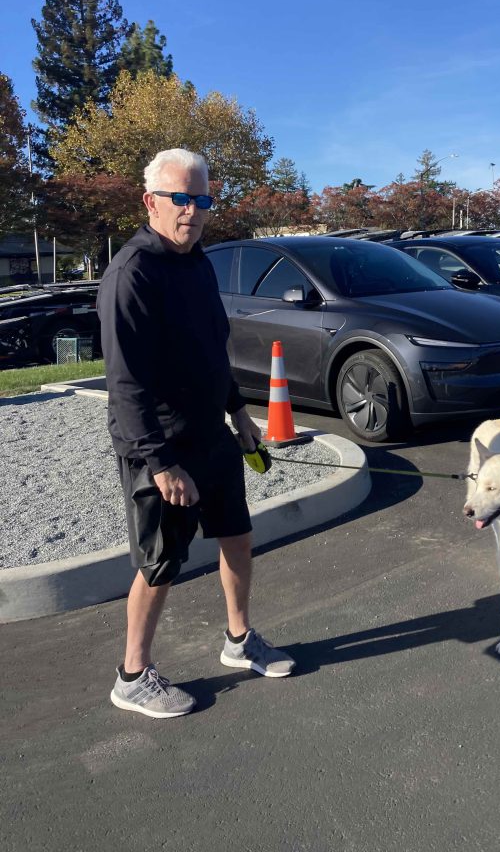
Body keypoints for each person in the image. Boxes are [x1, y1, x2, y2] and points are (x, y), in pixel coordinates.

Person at [97, 148, 295, 719]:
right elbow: (125, 383)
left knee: (237, 536)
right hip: (160, 445)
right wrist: (160, 464)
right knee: (160, 563)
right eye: (181, 198)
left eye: (202, 199)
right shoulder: (131, 274)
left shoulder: (198, 263)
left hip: (211, 435)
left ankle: (239, 639)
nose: (193, 210)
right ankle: (132, 675)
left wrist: (239, 413)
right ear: (151, 201)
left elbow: (212, 351)